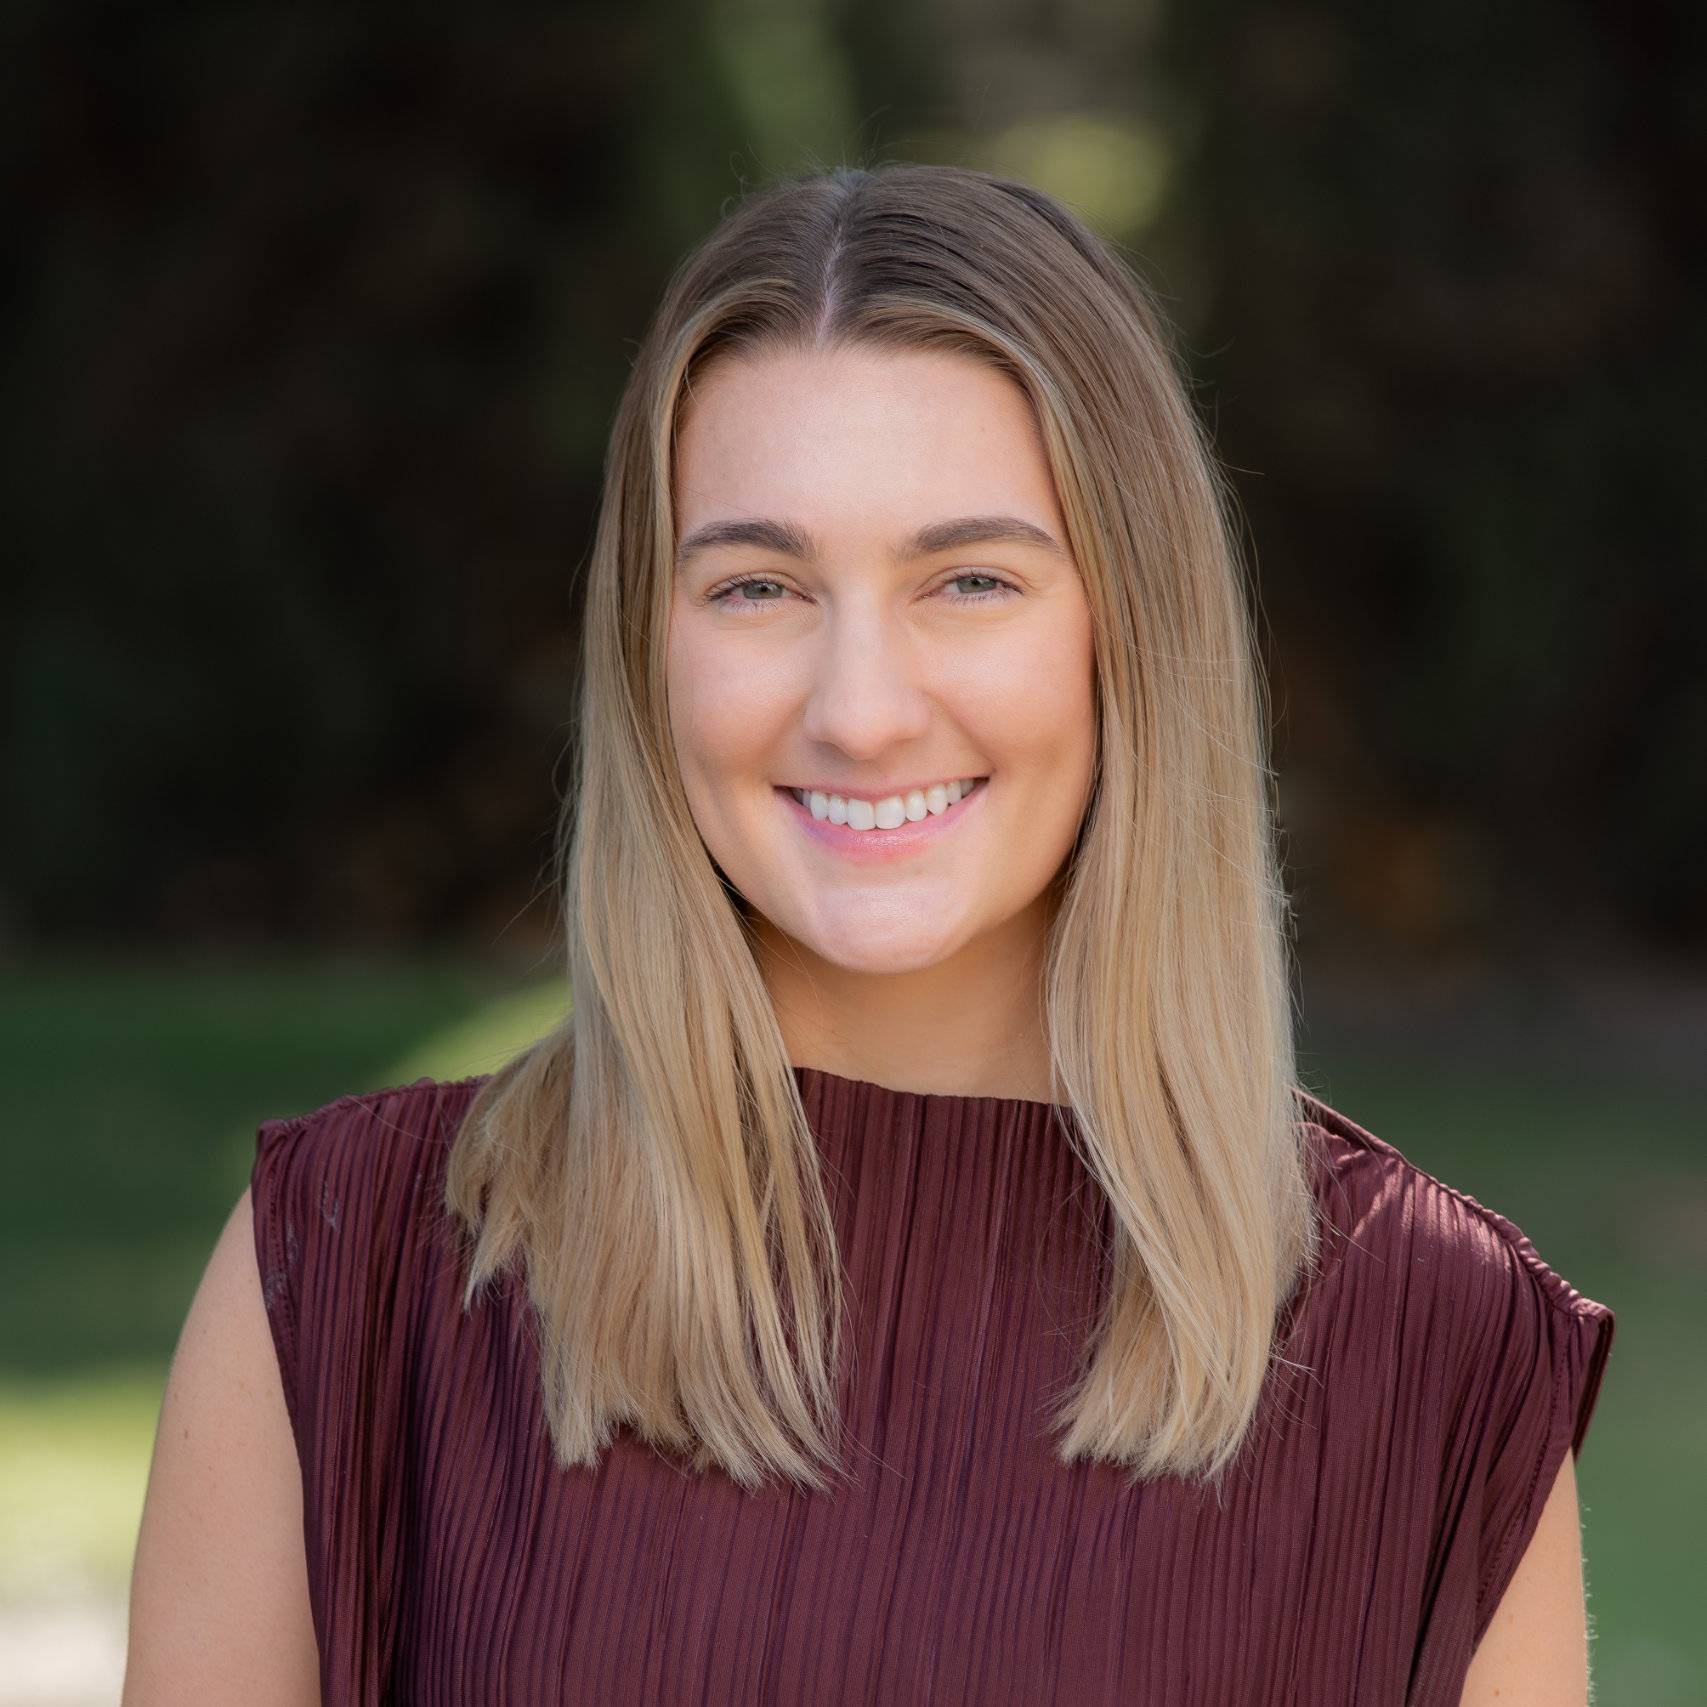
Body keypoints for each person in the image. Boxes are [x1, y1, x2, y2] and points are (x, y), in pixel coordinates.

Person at [122, 162, 1616, 1705]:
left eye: (969, 579)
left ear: (1132, 633)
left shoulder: (1440, 1344)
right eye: (759, 586)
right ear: (650, 654)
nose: (860, 710)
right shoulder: (352, 1265)